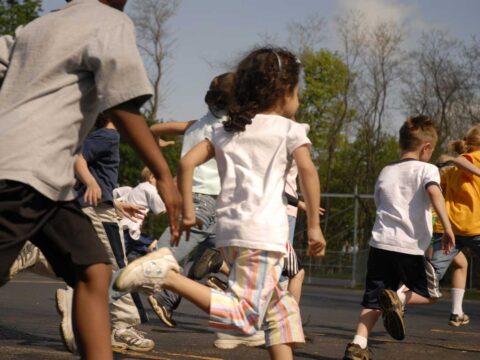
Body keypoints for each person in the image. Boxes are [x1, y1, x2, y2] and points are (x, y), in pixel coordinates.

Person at [114, 47, 327, 360]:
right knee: (244, 317)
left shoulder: (227, 129)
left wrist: (188, 212)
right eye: (297, 91)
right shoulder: (288, 130)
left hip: (231, 234)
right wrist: (314, 226)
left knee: (279, 308)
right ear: (283, 93)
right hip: (262, 234)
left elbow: (186, 164)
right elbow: (308, 172)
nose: (298, 98)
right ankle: (166, 276)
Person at [0, 0, 181, 358]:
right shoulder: (107, 20)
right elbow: (123, 104)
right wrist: (163, 174)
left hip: (52, 183)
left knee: (93, 270)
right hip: (22, 173)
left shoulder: (37, 28)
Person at [343, 115, 455, 360]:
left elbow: (379, 203)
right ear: (426, 148)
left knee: (373, 299)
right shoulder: (428, 169)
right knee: (431, 294)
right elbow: (434, 192)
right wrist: (447, 226)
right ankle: (400, 298)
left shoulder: (386, 171)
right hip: (409, 247)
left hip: (380, 244)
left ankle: (357, 344)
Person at [147, 72, 235, 330]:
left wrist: (158, 143)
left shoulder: (193, 125)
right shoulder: (230, 129)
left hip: (206, 207)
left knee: (220, 265)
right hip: (206, 205)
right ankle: (88, 299)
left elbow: (151, 129)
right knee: (154, 263)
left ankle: (170, 295)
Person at [430, 125, 480, 327]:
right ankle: (399, 296)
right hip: (465, 227)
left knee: (459, 264)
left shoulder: (452, 170)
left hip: (451, 228)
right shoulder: (472, 159)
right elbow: (458, 160)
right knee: (430, 274)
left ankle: (457, 312)